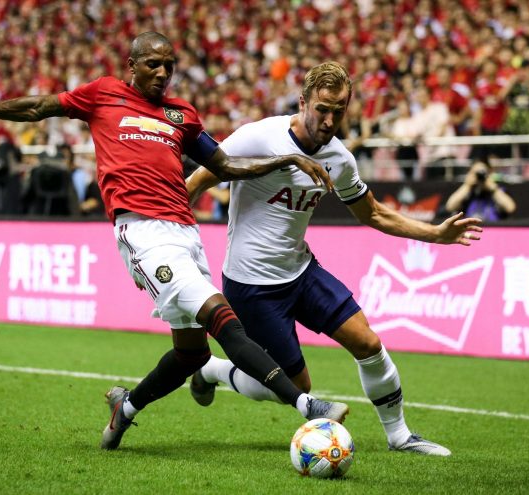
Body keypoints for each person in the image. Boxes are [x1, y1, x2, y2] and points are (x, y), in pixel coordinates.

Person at [0, 32, 347, 451]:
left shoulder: (182, 115)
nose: (162, 73)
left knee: (192, 354)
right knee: (222, 317)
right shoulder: (103, 94)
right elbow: (40, 106)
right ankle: (308, 406)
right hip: (142, 233)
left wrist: (286, 158)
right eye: (152, 64)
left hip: (186, 233)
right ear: (132, 65)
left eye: (169, 66)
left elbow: (226, 165)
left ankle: (124, 408)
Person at [186, 62, 485, 457]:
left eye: (339, 111)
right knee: (296, 386)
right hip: (252, 283)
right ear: (303, 102)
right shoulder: (258, 138)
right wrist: (167, 238)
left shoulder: (339, 159)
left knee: (367, 341)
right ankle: (212, 370)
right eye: (322, 109)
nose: (329, 121)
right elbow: (196, 183)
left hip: (301, 271)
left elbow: (372, 213)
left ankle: (400, 436)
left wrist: (435, 234)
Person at [445, 160, 516, 221]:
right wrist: (467, 185)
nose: (479, 176)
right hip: (470, 228)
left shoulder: (497, 190)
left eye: (482, 172)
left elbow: (510, 208)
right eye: (475, 173)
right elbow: (450, 207)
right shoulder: (466, 191)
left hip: (494, 228)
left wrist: (493, 189)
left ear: (489, 173)